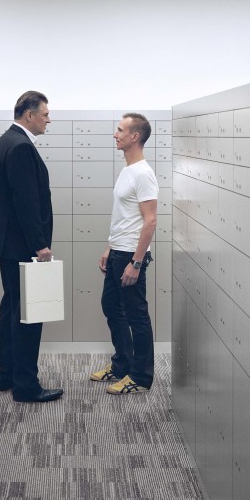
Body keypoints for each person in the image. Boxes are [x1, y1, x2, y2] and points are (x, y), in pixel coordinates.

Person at [0, 90, 64, 404]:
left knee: (11, 310)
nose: (48, 119)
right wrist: (40, 245)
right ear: (29, 114)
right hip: (21, 247)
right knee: (28, 315)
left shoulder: (7, 140)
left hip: (8, 245)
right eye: (45, 114)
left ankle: (5, 375)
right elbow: (26, 203)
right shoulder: (19, 147)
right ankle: (26, 386)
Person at [90, 113, 158, 395]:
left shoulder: (143, 173)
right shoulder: (126, 170)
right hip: (119, 251)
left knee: (136, 316)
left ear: (135, 137)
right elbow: (124, 215)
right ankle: (121, 366)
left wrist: (136, 262)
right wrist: (110, 246)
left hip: (132, 255)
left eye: (119, 130)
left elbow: (150, 220)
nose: (114, 134)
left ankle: (140, 378)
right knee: (111, 308)